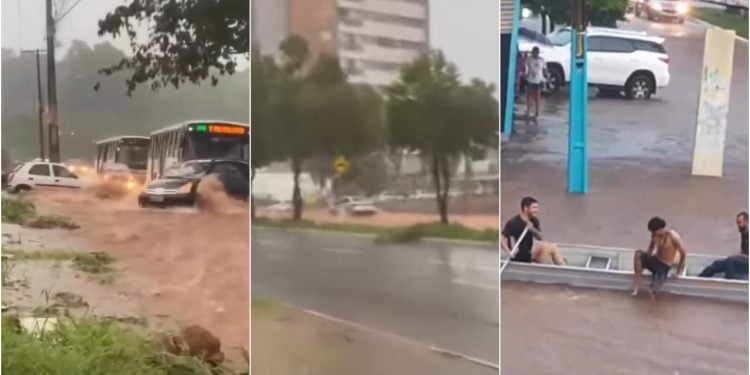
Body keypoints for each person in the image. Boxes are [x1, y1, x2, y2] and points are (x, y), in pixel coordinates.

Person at [632, 217, 687, 299]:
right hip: (655, 260)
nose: (653, 234)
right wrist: (643, 261)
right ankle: (637, 286)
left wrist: (678, 272)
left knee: (652, 291)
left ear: (661, 229)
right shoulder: (654, 235)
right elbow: (650, 249)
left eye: (654, 232)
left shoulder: (673, 236)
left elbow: (683, 253)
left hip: (664, 266)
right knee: (638, 254)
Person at [501, 196, 565, 265]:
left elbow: (540, 238)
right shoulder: (514, 222)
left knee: (543, 246)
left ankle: (557, 263)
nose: (537, 210)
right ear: (526, 208)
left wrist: (532, 229)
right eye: (534, 208)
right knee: (552, 248)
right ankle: (563, 267)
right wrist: (509, 252)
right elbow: (502, 239)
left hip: (529, 252)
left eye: (537, 208)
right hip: (519, 255)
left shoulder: (534, 220)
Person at [699, 212, 749, 280]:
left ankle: (730, 281)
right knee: (716, 264)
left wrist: (737, 256)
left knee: (730, 260)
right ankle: (699, 279)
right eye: (737, 223)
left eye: (739, 222)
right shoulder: (744, 234)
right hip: (743, 262)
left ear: (746, 222)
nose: (738, 225)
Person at [524, 46, 547, 123]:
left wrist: (546, 77)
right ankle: (528, 111)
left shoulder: (542, 60)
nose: (536, 53)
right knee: (529, 96)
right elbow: (525, 67)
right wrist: (525, 74)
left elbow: (544, 70)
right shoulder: (529, 59)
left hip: (538, 80)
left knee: (537, 96)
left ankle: (536, 112)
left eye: (537, 52)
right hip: (530, 80)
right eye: (534, 52)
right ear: (532, 52)